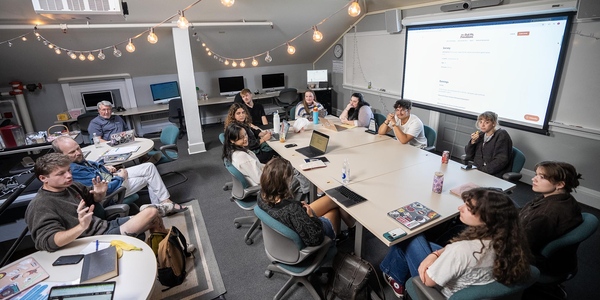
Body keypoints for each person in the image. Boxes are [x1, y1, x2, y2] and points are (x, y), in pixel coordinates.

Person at [380, 188, 531, 298]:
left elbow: (428, 281)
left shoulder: (460, 250)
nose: (460, 208)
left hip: (439, 291)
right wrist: (436, 253)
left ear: (487, 219)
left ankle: (394, 277)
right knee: (457, 229)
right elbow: (455, 250)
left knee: (409, 238)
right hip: (470, 278)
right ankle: (393, 271)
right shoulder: (510, 240)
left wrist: (431, 257)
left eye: (468, 207)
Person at [24, 153, 168, 252]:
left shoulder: (72, 186)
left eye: (68, 170)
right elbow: (47, 242)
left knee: (154, 219)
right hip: (91, 241)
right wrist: (81, 227)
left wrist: (100, 194)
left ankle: (165, 256)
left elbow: (95, 201)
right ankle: (163, 255)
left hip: (104, 226)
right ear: (43, 178)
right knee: (151, 212)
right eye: (61, 174)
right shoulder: (41, 205)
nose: (69, 176)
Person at [52, 136, 187, 216]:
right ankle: (163, 206)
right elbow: (105, 190)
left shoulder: (78, 160)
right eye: (72, 152)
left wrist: (105, 168)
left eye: (78, 148)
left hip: (111, 177)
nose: (78, 153)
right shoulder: (73, 170)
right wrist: (120, 177)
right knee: (149, 175)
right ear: (61, 155)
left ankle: (163, 205)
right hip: (112, 190)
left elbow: (92, 164)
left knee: (149, 168)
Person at [256, 157, 354, 246]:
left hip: (292, 221)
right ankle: (347, 236)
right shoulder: (292, 210)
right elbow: (315, 238)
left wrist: (300, 208)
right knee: (334, 210)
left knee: (332, 199)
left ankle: (352, 229)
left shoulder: (261, 195)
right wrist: (311, 217)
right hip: (308, 229)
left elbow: (290, 211)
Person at [520, 161, 583, 274]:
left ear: (560, 184)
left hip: (535, 261)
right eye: (536, 175)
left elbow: (520, 246)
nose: (534, 179)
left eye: (542, 177)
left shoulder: (545, 215)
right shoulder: (564, 198)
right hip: (557, 259)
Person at [222, 123, 309, 199]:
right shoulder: (242, 157)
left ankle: (301, 197)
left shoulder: (233, 151)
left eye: (245, 135)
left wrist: (272, 167)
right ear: (232, 140)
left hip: (262, 178)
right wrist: (276, 174)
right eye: (241, 138)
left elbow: (258, 166)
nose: (245, 139)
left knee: (291, 169)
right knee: (299, 178)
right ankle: (297, 203)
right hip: (264, 188)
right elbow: (260, 179)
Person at [464, 111, 513, 177]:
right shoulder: (480, 135)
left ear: (494, 123)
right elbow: (469, 155)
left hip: (493, 174)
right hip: (478, 171)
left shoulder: (501, 135)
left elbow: (501, 160)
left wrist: (481, 171)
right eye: (480, 122)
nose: (482, 125)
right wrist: (473, 142)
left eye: (486, 122)